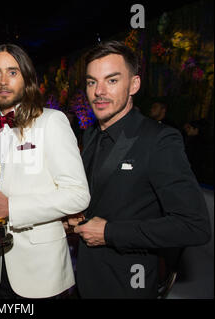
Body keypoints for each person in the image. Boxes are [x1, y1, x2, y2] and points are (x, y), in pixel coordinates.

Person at [65, 40, 211, 298]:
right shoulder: (89, 135)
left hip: (129, 284)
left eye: (111, 80)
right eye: (91, 82)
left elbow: (194, 226)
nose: (99, 91)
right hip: (86, 278)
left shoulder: (159, 140)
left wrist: (110, 233)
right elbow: (102, 197)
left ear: (134, 85)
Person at [0, 44, 90, 299]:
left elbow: (78, 194)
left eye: (12, 72)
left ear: (27, 78)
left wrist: (12, 208)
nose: (3, 81)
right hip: (2, 264)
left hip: (42, 273)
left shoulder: (52, 121)